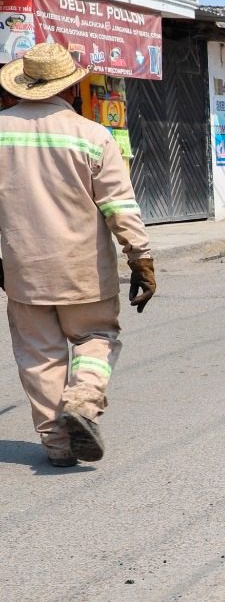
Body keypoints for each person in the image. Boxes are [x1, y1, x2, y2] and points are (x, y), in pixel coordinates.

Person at [0, 43, 156, 467]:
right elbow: (120, 207)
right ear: (71, 89)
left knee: (40, 357)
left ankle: (58, 446)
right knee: (96, 339)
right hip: (85, 273)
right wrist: (140, 259)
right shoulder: (93, 136)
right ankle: (83, 405)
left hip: (23, 274)